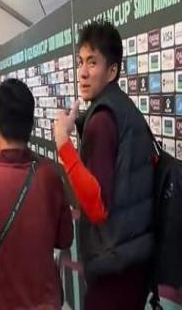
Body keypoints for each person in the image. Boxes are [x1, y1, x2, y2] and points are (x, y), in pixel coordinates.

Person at [54, 21, 154, 310]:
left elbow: (96, 207)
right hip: (132, 260)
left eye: (93, 62)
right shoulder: (122, 108)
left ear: (112, 71)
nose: (83, 73)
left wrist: (63, 144)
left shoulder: (102, 120)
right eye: (80, 62)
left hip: (114, 265)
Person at [0, 79, 73, 309]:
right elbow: (64, 239)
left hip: (2, 302)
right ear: (31, 126)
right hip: (47, 301)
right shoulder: (50, 175)